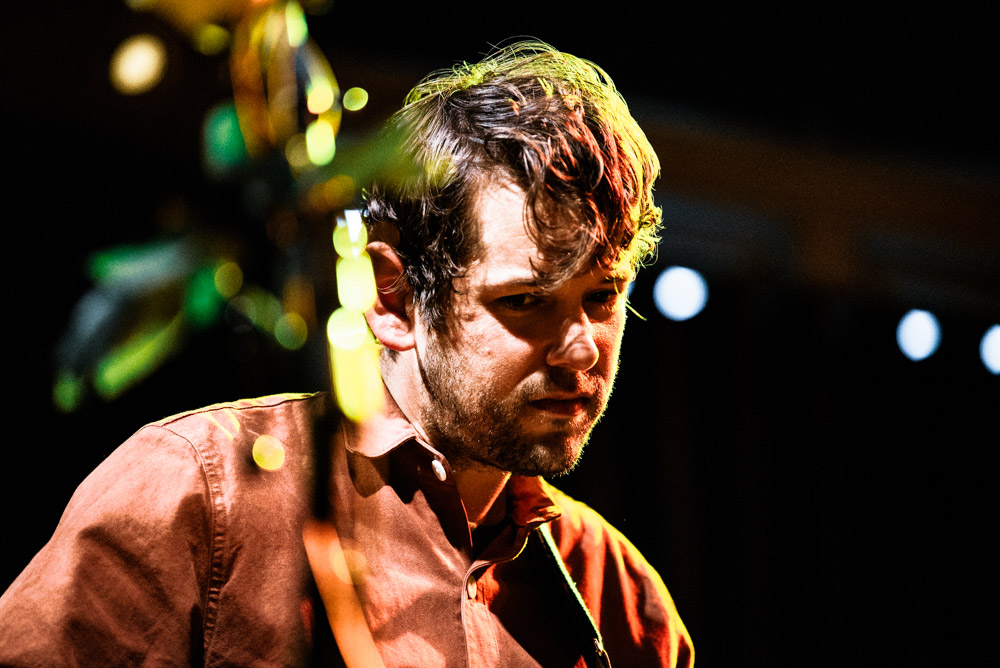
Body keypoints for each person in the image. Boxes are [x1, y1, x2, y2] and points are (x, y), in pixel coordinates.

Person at [0, 41, 693, 667]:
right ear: (392, 299)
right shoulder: (196, 494)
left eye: (603, 297)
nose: (581, 348)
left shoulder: (622, 600)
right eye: (525, 301)